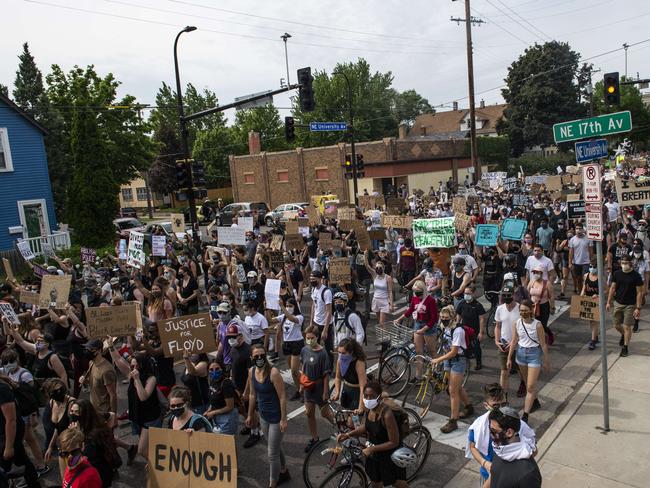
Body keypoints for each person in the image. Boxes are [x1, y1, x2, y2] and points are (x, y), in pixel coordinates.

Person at [336, 381, 408, 488]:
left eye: (372, 396)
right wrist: (348, 434)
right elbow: (366, 426)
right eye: (366, 396)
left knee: (398, 483)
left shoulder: (387, 415)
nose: (368, 399)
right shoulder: (369, 409)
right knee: (375, 482)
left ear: (379, 397)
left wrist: (371, 449)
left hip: (389, 455)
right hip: (374, 452)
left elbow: (394, 442)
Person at [466, 384, 536, 488]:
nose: (501, 410)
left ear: (510, 432)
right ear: (486, 405)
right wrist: (485, 463)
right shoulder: (478, 426)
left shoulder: (516, 424)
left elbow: (533, 449)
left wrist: (515, 466)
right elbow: (472, 447)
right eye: (495, 406)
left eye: (504, 405)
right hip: (488, 474)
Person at [107, 342, 161, 462]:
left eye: (137, 366)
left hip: (150, 418)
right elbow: (118, 359)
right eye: (132, 366)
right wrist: (111, 346)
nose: (134, 369)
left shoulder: (151, 378)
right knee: (148, 445)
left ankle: (156, 466)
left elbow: (143, 396)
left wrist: (137, 380)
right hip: (138, 416)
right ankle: (154, 462)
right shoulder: (131, 374)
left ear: (143, 365)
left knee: (142, 449)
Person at [246, 344, 290, 487]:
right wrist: (250, 414)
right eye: (256, 356)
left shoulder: (273, 373)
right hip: (263, 416)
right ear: (251, 358)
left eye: (262, 355)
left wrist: (284, 419)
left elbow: (283, 396)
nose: (259, 358)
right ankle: (284, 471)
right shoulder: (251, 371)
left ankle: (273, 483)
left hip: (276, 417)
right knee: (275, 446)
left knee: (272, 453)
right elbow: (253, 394)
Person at [506, 299, 549, 423]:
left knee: (530, 386)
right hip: (521, 354)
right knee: (526, 383)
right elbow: (514, 341)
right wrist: (509, 358)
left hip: (534, 354)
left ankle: (525, 414)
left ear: (531, 310)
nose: (523, 313)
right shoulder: (517, 323)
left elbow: (543, 344)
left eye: (525, 310)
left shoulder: (538, 325)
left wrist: (546, 360)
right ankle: (534, 401)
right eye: (521, 311)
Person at [432, 305, 473, 434]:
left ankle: (453, 421)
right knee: (456, 387)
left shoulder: (458, 331)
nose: (443, 319)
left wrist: (438, 359)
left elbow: (454, 351)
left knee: (452, 391)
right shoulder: (446, 328)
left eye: (446, 317)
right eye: (442, 317)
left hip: (457, 360)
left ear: (453, 317)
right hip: (448, 360)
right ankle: (468, 406)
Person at [0, 373, 40, 488]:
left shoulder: (2, 389)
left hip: (8, 435)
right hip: (6, 435)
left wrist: (8, 447)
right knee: (21, 461)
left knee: (18, 464)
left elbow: (11, 420)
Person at [485, 407, 542, 488]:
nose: (490, 434)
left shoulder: (528, 473)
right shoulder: (500, 449)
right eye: (489, 429)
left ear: (509, 432)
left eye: (494, 431)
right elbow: (495, 475)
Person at [68, 399, 119, 487]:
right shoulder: (84, 423)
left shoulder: (92, 436)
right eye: (72, 411)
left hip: (99, 472)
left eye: (77, 412)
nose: (73, 415)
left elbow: (83, 456)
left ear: (85, 414)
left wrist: (77, 436)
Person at [300, 326, 333, 453]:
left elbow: (326, 375)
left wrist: (325, 392)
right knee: (309, 413)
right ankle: (314, 438)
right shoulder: (304, 350)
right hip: (308, 386)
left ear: (317, 337)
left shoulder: (323, 353)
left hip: (319, 387)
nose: (309, 340)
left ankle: (342, 430)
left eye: (311, 338)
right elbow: (303, 367)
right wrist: (302, 384)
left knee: (325, 413)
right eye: (307, 338)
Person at [395, 281, 438, 381]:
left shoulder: (430, 300)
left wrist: (424, 329)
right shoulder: (415, 298)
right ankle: (418, 376)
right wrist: (400, 318)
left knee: (432, 351)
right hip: (418, 323)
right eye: (415, 292)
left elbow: (434, 318)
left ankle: (435, 371)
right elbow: (410, 310)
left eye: (418, 292)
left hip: (428, 326)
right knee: (419, 352)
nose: (417, 295)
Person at [606, 255, 644, 357]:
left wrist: (638, 308)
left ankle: (625, 347)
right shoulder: (617, 274)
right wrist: (608, 302)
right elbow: (612, 288)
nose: (624, 265)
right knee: (616, 325)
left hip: (630, 305)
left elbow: (639, 292)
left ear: (631, 263)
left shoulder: (636, 276)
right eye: (622, 263)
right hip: (618, 303)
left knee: (627, 327)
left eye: (626, 263)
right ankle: (623, 334)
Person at [270, 299, 304, 401]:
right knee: (293, 371)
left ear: (295, 306)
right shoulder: (283, 316)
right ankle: (299, 390)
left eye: (290, 305)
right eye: (287, 305)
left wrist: (282, 307)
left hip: (296, 343)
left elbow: (292, 319)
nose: (288, 307)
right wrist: (267, 308)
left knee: (294, 370)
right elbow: (271, 320)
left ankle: (304, 389)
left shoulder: (300, 317)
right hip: (287, 344)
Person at [80, 339, 117, 417]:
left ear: (99, 351)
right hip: (94, 410)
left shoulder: (107, 371)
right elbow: (94, 383)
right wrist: (85, 381)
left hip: (104, 413)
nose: (87, 351)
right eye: (86, 349)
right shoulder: (92, 363)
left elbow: (113, 396)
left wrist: (113, 416)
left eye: (90, 349)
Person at [493, 285, 520, 392]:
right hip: (504, 345)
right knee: (504, 372)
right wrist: (496, 340)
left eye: (508, 295)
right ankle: (503, 396)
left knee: (520, 370)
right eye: (504, 295)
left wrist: (514, 341)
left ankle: (524, 385)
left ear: (513, 295)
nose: (506, 297)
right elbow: (497, 326)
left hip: (518, 346)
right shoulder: (500, 309)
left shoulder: (520, 309)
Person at [331, 338, 367, 415]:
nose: (340, 355)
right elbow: (338, 377)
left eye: (343, 353)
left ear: (351, 352)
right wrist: (337, 392)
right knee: (346, 416)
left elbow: (363, 386)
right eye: (339, 352)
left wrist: (361, 406)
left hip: (357, 393)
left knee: (354, 421)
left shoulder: (359, 363)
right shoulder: (340, 360)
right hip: (346, 390)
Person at [455, 284, 487, 370]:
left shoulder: (478, 305)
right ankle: (465, 364)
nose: (466, 295)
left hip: (474, 331)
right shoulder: (462, 303)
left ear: (473, 294)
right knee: (464, 348)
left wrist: (481, 332)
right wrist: (457, 325)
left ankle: (478, 363)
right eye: (465, 293)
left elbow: (482, 319)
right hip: (464, 330)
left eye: (468, 293)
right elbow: (458, 315)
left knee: (476, 347)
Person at [204, 360, 239, 435]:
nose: (214, 372)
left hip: (227, 418)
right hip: (217, 416)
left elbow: (230, 406)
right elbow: (213, 398)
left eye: (217, 369)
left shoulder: (226, 383)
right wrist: (209, 409)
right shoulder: (212, 381)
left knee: (227, 444)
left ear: (222, 369)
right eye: (211, 370)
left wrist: (213, 412)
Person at [364, 251, 394, 326]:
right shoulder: (374, 275)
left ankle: (384, 337)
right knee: (379, 323)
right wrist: (365, 256)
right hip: (376, 300)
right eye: (376, 267)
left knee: (382, 322)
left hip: (384, 301)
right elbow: (367, 266)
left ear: (383, 268)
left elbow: (390, 291)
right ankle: (382, 336)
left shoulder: (388, 278)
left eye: (380, 268)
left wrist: (391, 304)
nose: (378, 269)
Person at [527, 265, 555, 342]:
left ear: (541, 273)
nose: (535, 274)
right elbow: (527, 294)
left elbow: (551, 296)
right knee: (533, 324)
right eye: (534, 272)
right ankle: (537, 340)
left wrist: (552, 307)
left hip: (544, 306)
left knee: (542, 325)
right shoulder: (531, 282)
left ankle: (549, 334)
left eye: (537, 272)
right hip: (533, 306)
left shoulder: (547, 283)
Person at [309, 271, 333, 354]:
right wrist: (311, 322)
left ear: (320, 279)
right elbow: (313, 305)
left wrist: (325, 330)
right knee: (314, 346)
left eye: (314, 279)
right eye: (311, 279)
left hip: (325, 324)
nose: (312, 281)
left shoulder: (326, 292)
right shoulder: (314, 289)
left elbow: (329, 311)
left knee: (328, 348)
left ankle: (329, 366)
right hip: (316, 323)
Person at [568, 224, 592, 293]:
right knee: (578, 279)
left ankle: (586, 292)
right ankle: (580, 291)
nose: (578, 230)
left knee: (586, 279)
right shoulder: (572, 240)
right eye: (577, 228)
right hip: (576, 263)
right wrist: (570, 263)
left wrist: (592, 262)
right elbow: (571, 252)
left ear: (583, 230)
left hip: (586, 263)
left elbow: (591, 251)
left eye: (580, 228)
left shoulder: (588, 239)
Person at [581, 263, 600, 350]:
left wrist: (598, 295)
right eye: (590, 267)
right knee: (591, 320)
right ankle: (595, 336)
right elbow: (584, 285)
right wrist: (582, 293)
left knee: (594, 321)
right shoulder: (586, 275)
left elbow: (606, 290)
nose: (592, 269)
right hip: (588, 301)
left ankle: (593, 341)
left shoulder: (600, 277)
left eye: (594, 267)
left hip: (597, 301)